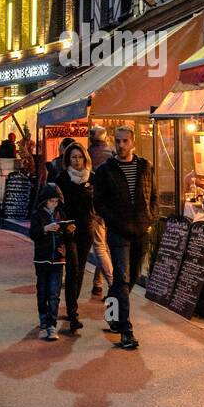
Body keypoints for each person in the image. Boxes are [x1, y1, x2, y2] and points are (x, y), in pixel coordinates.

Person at [92, 125, 158, 351]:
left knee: (129, 279)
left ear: (133, 143)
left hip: (141, 231)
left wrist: (150, 219)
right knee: (122, 277)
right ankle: (126, 330)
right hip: (119, 232)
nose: (121, 146)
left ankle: (112, 312)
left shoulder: (145, 167)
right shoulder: (105, 170)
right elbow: (98, 202)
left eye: (125, 141)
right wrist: (113, 221)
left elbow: (154, 196)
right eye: (118, 141)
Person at [55, 142, 99, 334]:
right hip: (69, 229)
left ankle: (73, 306)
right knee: (72, 268)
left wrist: (97, 217)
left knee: (80, 269)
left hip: (86, 228)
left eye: (80, 157)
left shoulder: (93, 178)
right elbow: (57, 205)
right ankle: (73, 313)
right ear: (68, 159)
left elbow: (99, 201)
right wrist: (64, 223)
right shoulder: (63, 179)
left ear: (85, 158)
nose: (77, 160)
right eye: (73, 157)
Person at [30, 183, 68, 341]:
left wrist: (67, 230)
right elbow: (33, 234)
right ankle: (43, 317)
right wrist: (45, 229)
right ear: (44, 200)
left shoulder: (61, 214)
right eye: (51, 201)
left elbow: (66, 237)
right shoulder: (38, 215)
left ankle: (52, 325)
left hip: (58, 259)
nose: (54, 204)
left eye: (56, 201)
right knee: (43, 290)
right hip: (42, 258)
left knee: (54, 293)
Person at [87, 125, 113, 296]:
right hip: (112, 207)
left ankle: (113, 283)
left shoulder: (88, 155)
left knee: (99, 246)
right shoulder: (112, 155)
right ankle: (98, 282)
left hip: (95, 205)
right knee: (105, 245)